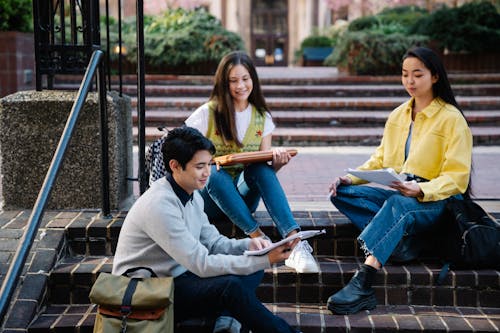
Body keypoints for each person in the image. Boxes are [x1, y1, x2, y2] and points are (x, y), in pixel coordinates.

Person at [326, 46, 472, 315]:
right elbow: (381, 158)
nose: (410, 82)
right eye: (405, 75)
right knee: (341, 194)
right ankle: (403, 245)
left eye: (418, 74)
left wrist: (420, 189)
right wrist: (350, 177)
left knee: (397, 205)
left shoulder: (452, 119)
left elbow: (457, 178)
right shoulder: (398, 115)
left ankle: (364, 281)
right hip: (402, 187)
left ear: (435, 77)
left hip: (436, 200)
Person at [113, 126, 302, 333]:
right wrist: (266, 259)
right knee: (231, 286)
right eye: (199, 166)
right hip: (148, 292)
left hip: (178, 276)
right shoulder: (159, 204)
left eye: (209, 164)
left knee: (251, 269)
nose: (207, 173)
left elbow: (214, 243)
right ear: (175, 166)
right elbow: (201, 263)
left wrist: (250, 245)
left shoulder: (190, 194)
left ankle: (226, 319)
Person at [185, 50, 319, 273]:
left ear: (253, 80)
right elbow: (186, 157)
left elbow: (263, 173)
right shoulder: (206, 114)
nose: (241, 86)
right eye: (233, 80)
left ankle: (295, 243)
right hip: (208, 199)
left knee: (260, 168)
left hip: (242, 200)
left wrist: (278, 163)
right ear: (223, 83)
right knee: (214, 173)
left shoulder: (261, 117)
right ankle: (261, 240)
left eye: (245, 79)